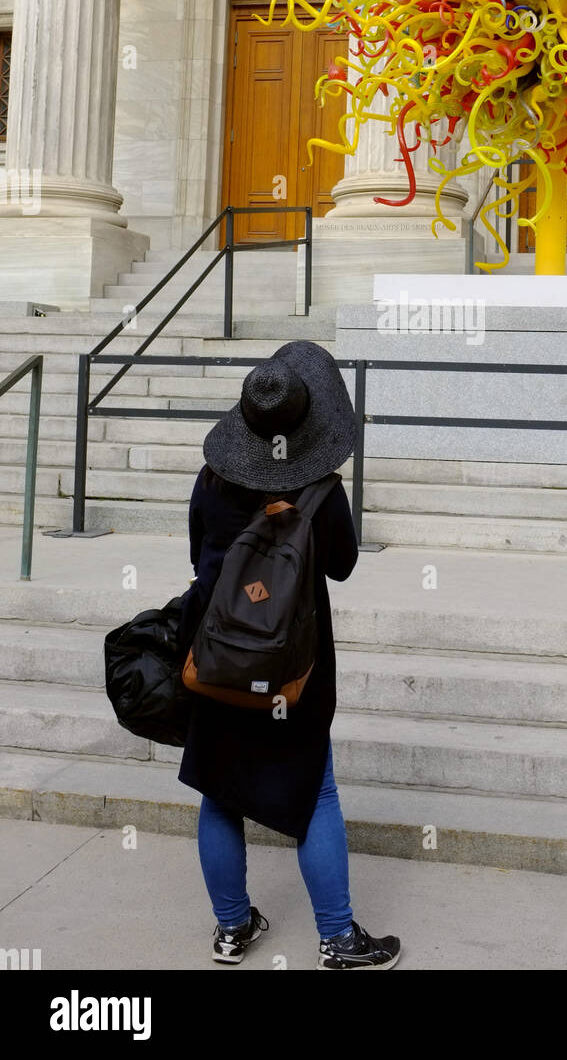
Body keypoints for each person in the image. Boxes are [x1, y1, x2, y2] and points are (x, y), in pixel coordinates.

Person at [177, 341, 400, 970]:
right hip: (290, 669)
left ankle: (230, 929)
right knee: (315, 793)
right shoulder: (321, 493)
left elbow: (199, 556)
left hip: (217, 654)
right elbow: (344, 566)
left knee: (218, 791)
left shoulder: (212, 478)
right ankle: (337, 939)